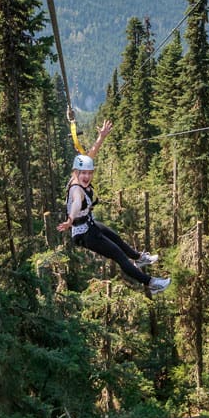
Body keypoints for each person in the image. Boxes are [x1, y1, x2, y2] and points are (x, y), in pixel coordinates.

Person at [57, 119, 170, 295]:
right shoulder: (76, 189)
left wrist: (101, 137)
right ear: (76, 173)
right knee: (119, 256)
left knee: (116, 238)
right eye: (83, 173)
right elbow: (77, 203)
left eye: (89, 172)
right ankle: (152, 283)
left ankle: (139, 258)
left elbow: (91, 154)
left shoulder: (78, 176)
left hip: (89, 224)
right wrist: (70, 219)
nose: (87, 176)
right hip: (85, 234)